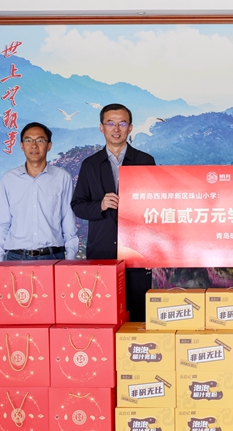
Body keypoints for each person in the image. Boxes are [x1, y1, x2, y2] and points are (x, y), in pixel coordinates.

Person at [71, 103, 156, 320]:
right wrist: (100, 205)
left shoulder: (145, 161)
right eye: (110, 123)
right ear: (101, 127)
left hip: (137, 251)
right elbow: (78, 205)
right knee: (102, 313)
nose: (116, 129)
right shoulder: (90, 165)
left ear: (130, 128)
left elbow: (155, 204)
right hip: (101, 249)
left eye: (122, 123)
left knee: (139, 313)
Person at [0, 122, 78, 262]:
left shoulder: (62, 178)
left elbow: (69, 222)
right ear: (21, 145)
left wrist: (71, 260)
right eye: (28, 140)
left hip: (52, 257)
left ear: (49, 145)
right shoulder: (9, 179)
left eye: (40, 140)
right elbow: (2, 224)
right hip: (16, 258)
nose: (34, 145)